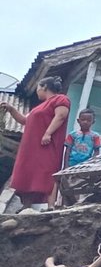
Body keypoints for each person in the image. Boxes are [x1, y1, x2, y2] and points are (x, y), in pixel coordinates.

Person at [1, 76, 71, 211]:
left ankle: (50, 205)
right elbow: (24, 120)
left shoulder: (61, 99)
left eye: (38, 88)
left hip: (47, 145)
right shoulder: (39, 107)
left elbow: (60, 116)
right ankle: (26, 204)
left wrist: (48, 133)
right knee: (29, 172)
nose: (37, 91)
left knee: (48, 172)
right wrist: (11, 109)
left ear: (44, 87)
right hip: (31, 147)